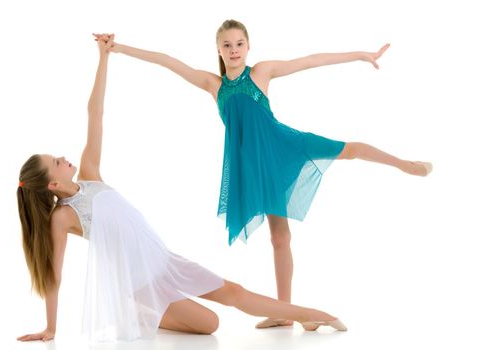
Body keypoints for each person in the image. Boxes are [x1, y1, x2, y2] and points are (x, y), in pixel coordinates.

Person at [16, 34, 346, 343]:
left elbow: (95, 113)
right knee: (210, 325)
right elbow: (53, 275)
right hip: (143, 282)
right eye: (55, 161)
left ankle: (313, 315)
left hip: (165, 260)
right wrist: (50, 327)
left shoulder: (90, 173)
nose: (62, 157)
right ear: (53, 184)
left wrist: (104, 58)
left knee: (234, 294)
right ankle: (136, 310)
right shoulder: (62, 216)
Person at [106, 20, 432, 328]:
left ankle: (406, 164)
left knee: (348, 149)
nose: (234, 49)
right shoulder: (214, 85)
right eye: (227, 45)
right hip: (255, 167)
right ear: (218, 50)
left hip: (283, 147)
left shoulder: (261, 72)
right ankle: (285, 313)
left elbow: (310, 61)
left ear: (248, 47)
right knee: (279, 238)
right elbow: (168, 62)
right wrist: (119, 49)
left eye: (239, 44)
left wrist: (362, 55)